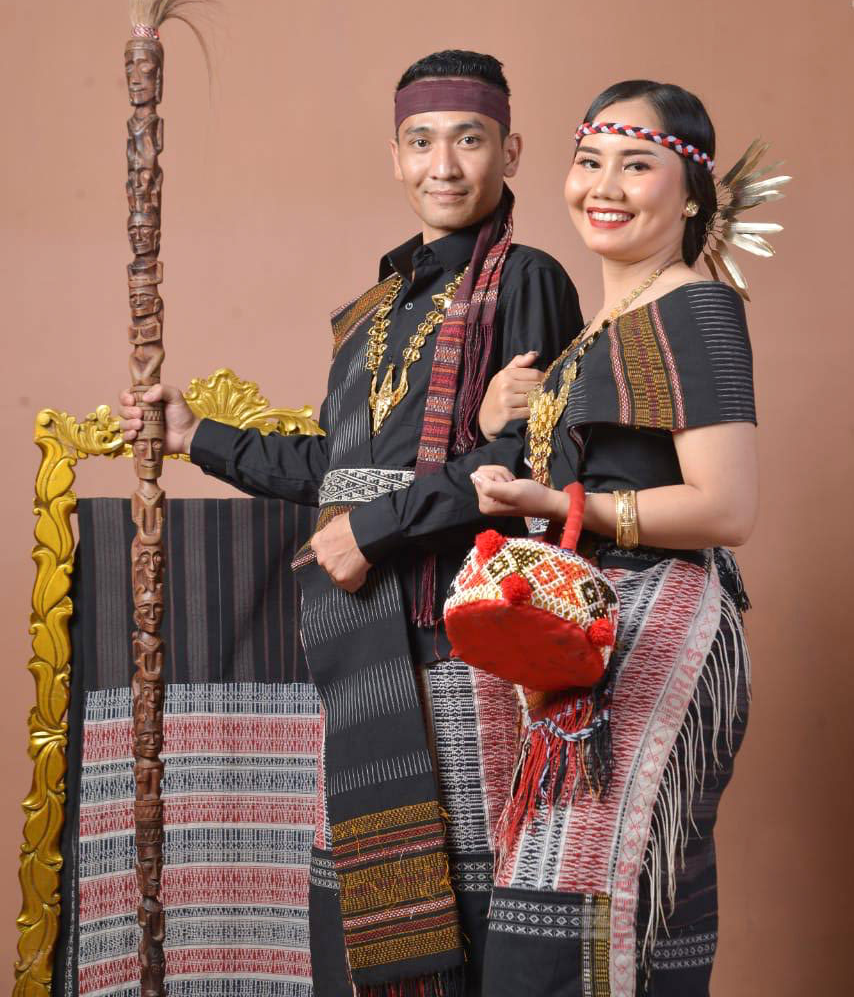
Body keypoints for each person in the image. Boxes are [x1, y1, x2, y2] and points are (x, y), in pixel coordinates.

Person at [119, 50, 582, 996]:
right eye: (421, 142)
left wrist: (371, 531)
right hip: (364, 637)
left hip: (464, 641)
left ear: (510, 152)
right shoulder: (371, 310)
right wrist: (195, 437)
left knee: (473, 907)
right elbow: (337, 473)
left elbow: (530, 464)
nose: (443, 165)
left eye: (469, 140)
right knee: (378, 921)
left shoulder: (527, 280)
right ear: (394, 154)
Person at [470, 80, 762, 997]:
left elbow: (727, 507)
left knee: (582, 898)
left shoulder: (695, 309)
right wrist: (497, 424)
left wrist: (567, 504)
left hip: (655, 617)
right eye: (589, 160)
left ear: (693, 196)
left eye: (637, 164)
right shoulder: (600, 330)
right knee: (590, 899)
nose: (604, 185)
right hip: (586, 626)